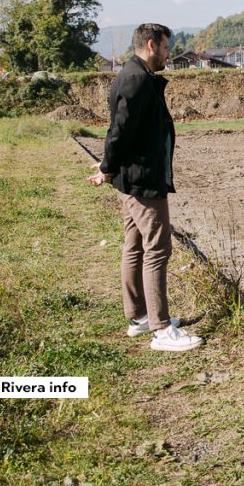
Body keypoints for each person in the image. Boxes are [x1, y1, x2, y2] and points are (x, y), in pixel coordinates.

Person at [87, 23, 202, 351]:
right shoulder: (136, 79)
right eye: (166, 47)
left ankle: (139, 317)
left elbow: (121, 131)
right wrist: (107, 167)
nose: (168, 53)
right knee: (158, 248)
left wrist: (109, 168)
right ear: (152, 45)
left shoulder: (132, 75)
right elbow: (119, 132)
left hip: (134, 177)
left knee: (134, 244)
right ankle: (161, 330)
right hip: (142, 180)